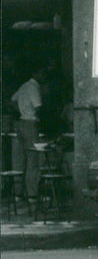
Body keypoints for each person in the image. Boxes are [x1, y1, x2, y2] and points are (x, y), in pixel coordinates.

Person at [11, 59, 49, 201]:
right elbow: (38, 107)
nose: (44, 76)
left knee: (19, 160)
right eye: (42, 73)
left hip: (20, 122)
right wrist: (33, 115)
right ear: (36, 74)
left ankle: (18, 193)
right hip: (30, 123)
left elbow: (13, 100)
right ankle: (32, 194)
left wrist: (22, 111)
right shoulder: (34, 87)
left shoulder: (24, 86)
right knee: (33, 159)